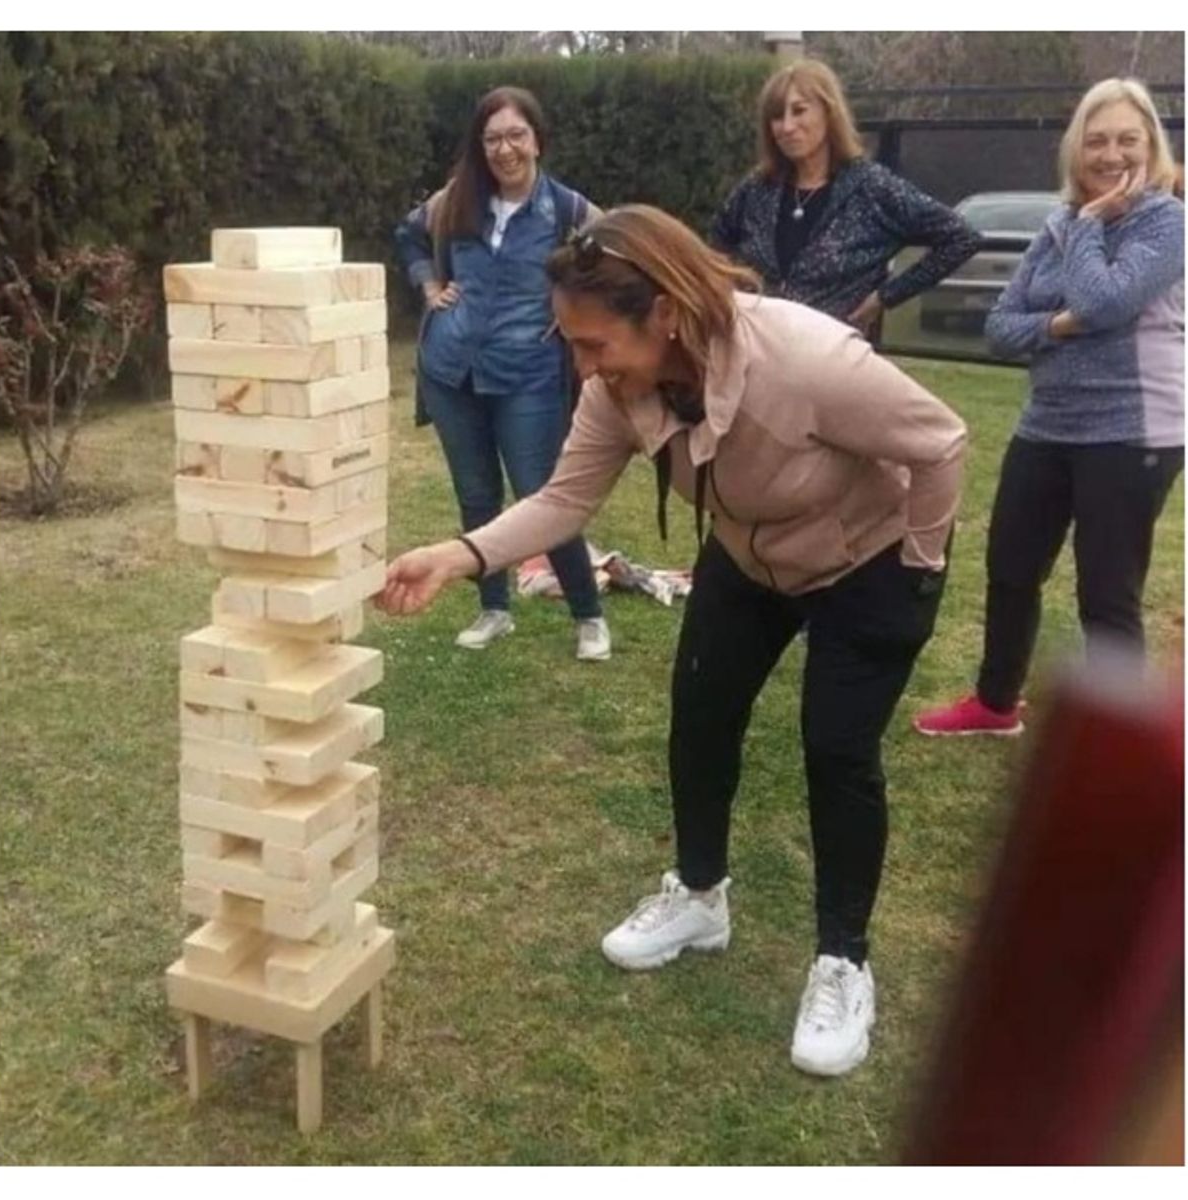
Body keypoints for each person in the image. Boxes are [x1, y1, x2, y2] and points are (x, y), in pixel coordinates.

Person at [377, 205, 968, 1077]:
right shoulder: (620, 386)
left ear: (663, 316)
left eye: (593, 343)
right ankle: (700, 897)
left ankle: (843, 960)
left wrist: (918, 571)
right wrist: (460, 556)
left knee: (835, 750)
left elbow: (942, 440)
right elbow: (563, 501)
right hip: (747, 552)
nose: (582, 365)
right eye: (571, 344)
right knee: (699, 716)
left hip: (867, 562)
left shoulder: (806, 359)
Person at [914, 78, 1183, 738]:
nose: (1111, 154)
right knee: (1010, 568)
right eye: (1096, 141)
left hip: (1133, 428)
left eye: (1127, 139)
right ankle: (996, 704)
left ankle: (1117, 739)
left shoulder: (1167, 221)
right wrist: (1059, 326)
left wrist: (1090, 233)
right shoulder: (1057, 223)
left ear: (1151, 145)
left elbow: (1104, 302)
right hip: (1048, 422)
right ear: (1075, 150)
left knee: (1105, 594)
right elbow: (1001, 327)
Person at [394, 86, 610, 660]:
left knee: (543, 498)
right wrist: (430, 285)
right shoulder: (457, 199)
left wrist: (574, 317)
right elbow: (409, 233)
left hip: (527, 376)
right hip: (451, 372)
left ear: (537, 139)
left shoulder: (567, 209)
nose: (504, 149)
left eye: (516, 135)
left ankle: (588, 614)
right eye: (492, 138)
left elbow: (615, 259)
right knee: (476, 496)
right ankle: (494, 609)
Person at [711, 58, 979, 336]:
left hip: (834, 360)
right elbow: (717, 245)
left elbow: (961, 237)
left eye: (799, 111)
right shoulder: (757, 188)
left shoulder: (871, 188)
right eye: (777, 116)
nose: (787, 126)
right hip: (759, 352)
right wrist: (734, 293)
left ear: (829, 113)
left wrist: (884, 297)